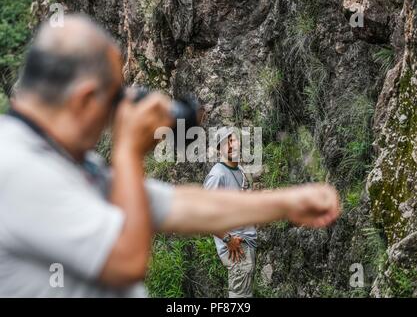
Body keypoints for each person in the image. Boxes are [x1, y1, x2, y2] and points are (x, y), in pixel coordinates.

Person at [0, 15, 340, 298]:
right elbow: (126, 262)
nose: (117, 111)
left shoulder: (66, 162)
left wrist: (288, 202)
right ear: (86, 98)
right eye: (117, 96)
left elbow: (182, 205)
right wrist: (129, 151)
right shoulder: (15, 166)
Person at [204, 127, 257, 298]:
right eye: (226, 143)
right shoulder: (217, 175)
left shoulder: (240, 170)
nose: (231, 145)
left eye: (233, 140)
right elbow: (205, 215)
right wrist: (229, 240)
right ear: (219, 149)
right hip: (236, 249)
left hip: (246, 243)